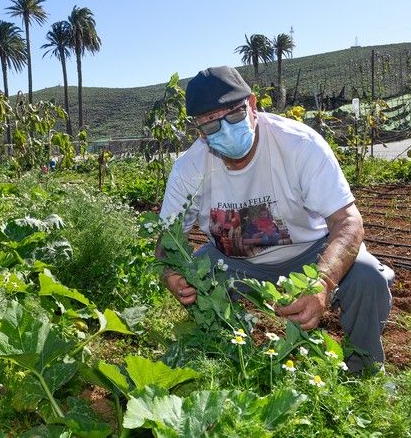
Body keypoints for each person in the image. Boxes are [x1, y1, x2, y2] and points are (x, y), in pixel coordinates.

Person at [157, 66, 393, 373]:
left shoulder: (298, 145)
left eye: (233, 114)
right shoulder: (189, 169)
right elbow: (166, 240)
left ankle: (364, 372)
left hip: (309, 255)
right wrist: (169, 273)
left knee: (366, 276)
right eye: (211, 124)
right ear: (198, 130)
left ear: (253, 106)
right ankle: (226, 362)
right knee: (198, 271)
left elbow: (349, 222)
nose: (225, 129)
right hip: (235, 263)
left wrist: (321, 280)